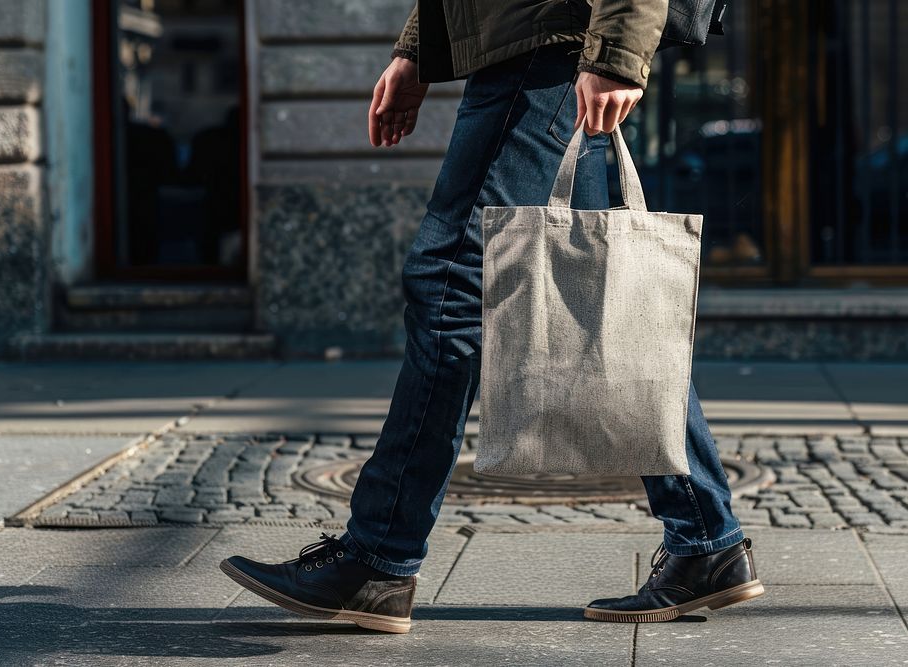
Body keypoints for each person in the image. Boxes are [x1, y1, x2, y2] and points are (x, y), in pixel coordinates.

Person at [221, 0, 763, 633]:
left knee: (451, 279)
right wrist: (418, 51)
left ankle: (377, 557)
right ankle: (706, 541)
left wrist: (617, 50)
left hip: (551, 43)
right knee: (594, 300)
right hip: (538, 40)